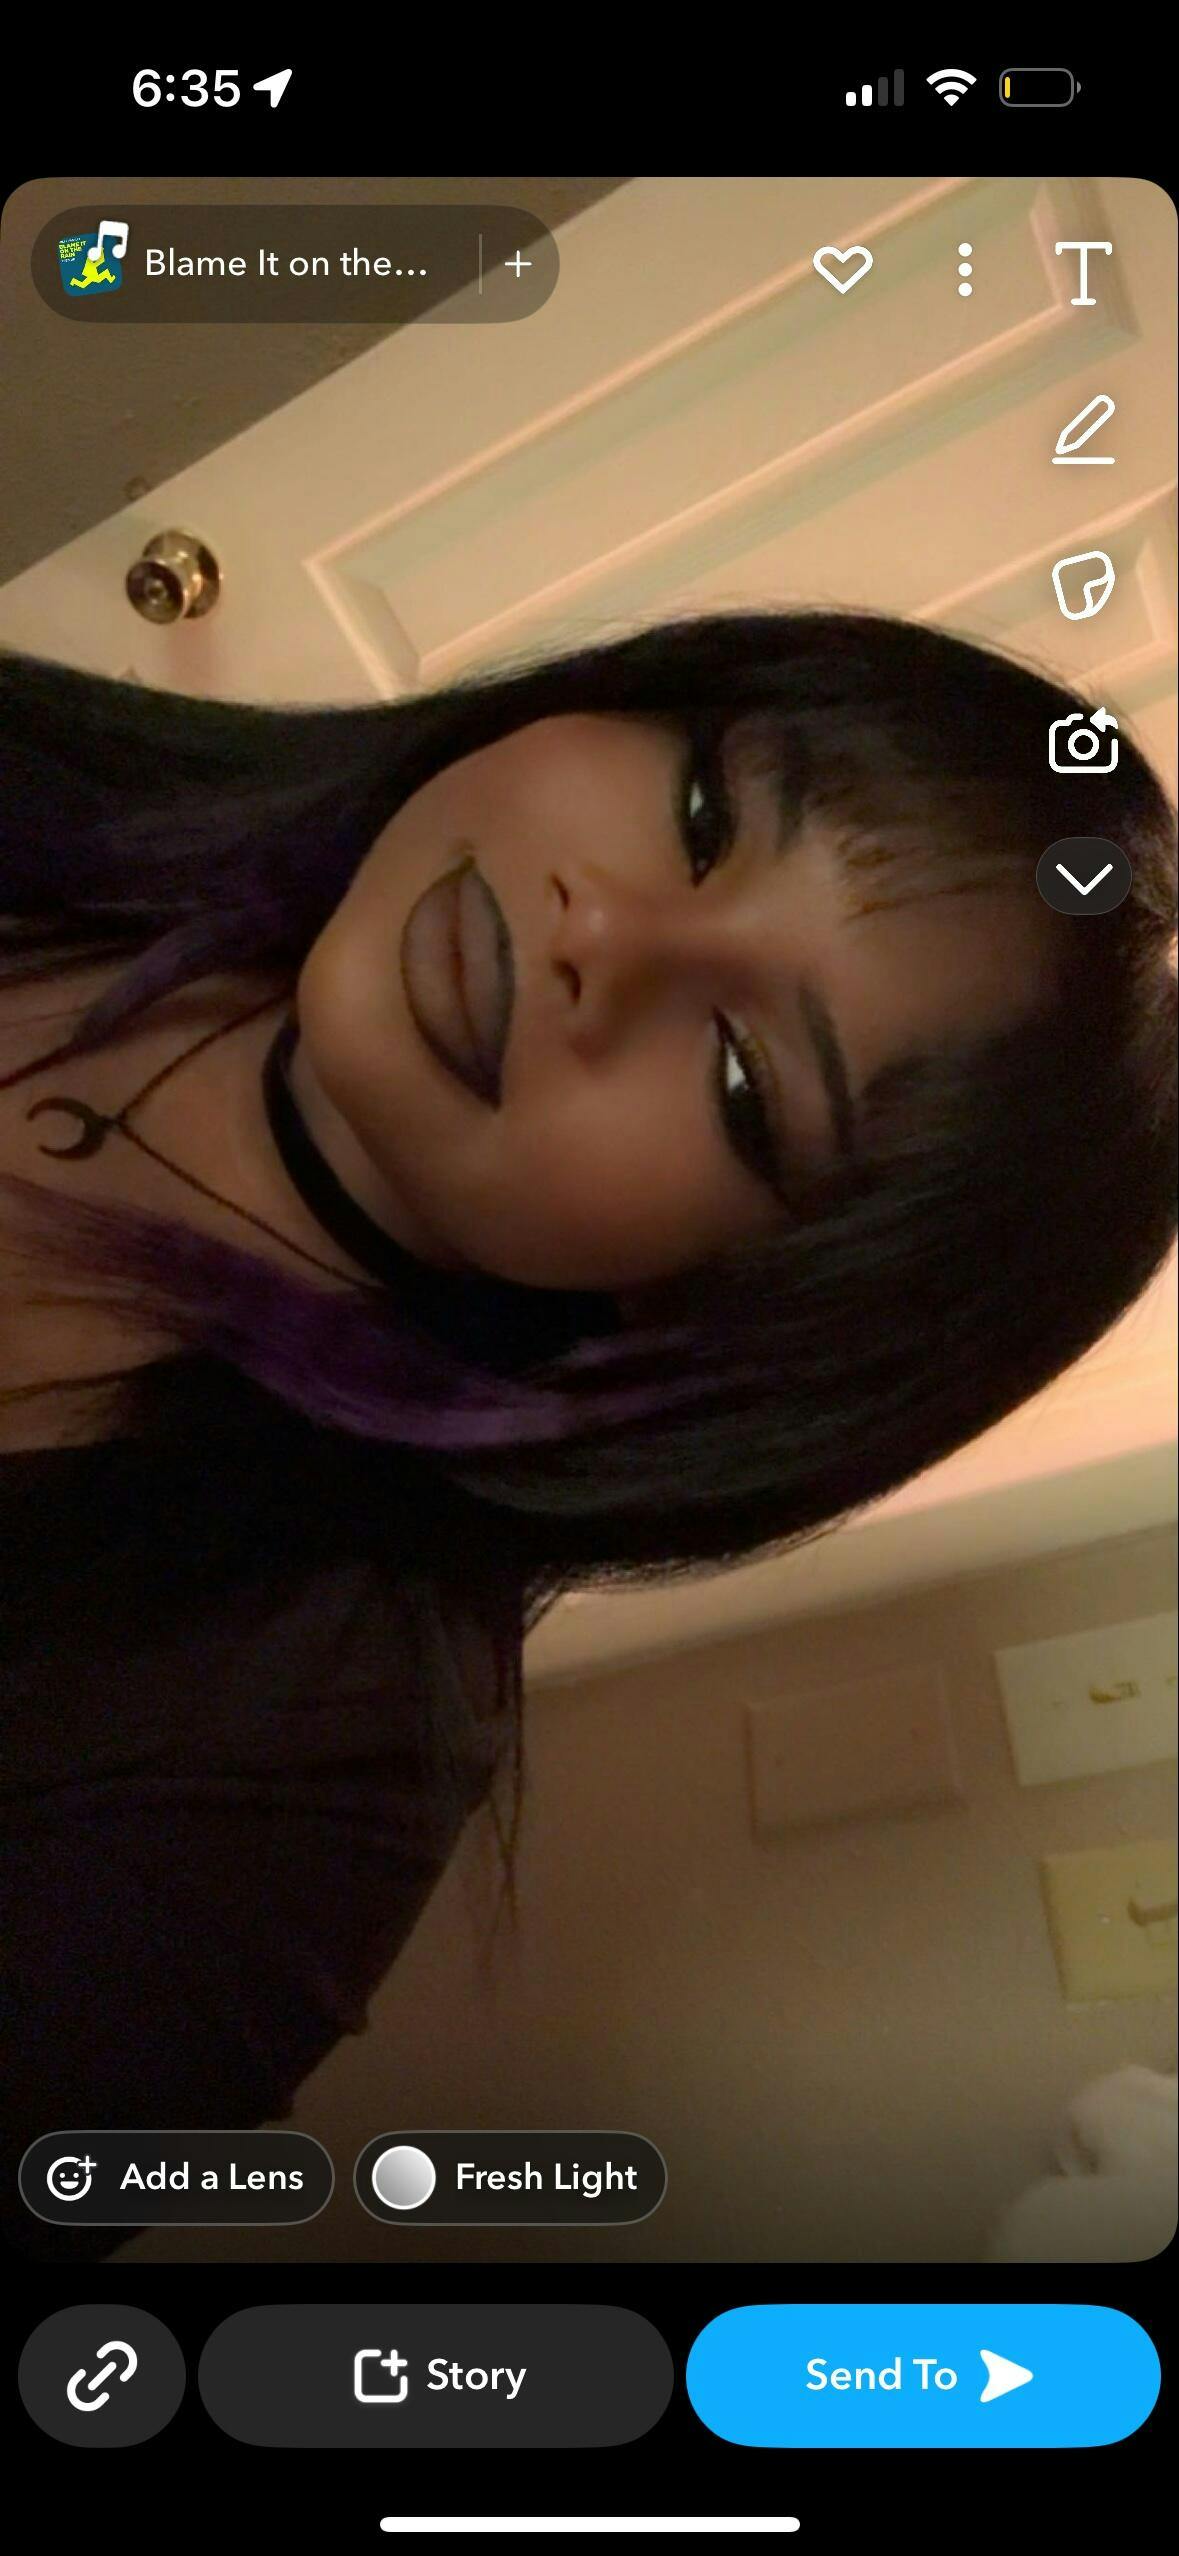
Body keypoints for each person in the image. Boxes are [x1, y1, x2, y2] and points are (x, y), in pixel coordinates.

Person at [1, 609, 1175, 2261]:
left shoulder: (287, 1758)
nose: (603, 934)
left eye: (749, 1084)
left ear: (738, 1322)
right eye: (705, 811)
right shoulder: (87, 788)